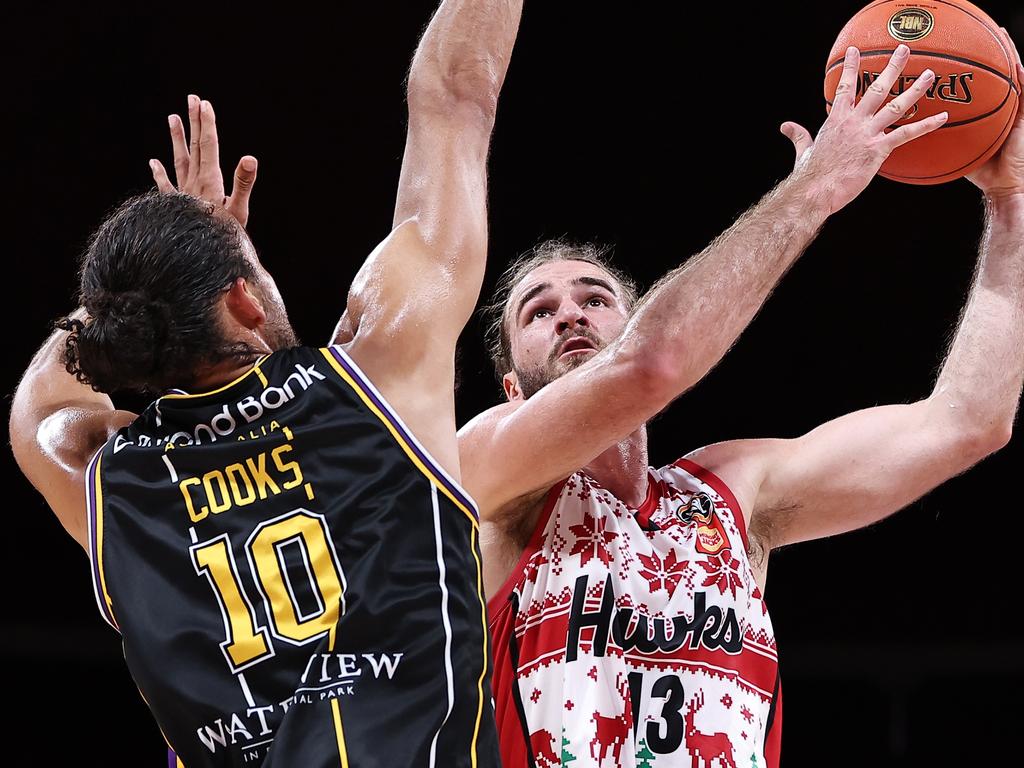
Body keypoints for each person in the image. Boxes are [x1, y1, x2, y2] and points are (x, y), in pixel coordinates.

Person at [458, 43, 1024, 767]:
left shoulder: (732, 492)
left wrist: (1010, 205)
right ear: (510, 389)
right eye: (539, 311)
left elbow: (968, 422)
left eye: (595, 299)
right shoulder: (491, 484)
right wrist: (814, 189)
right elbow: (653, 362)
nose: (570, 315)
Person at [9, 1, 522, 765]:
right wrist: (191, 242)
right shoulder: (375, 379)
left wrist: (156, 265)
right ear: (245, 299)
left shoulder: (106, 481)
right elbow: (452, 96)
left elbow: (40, 402)